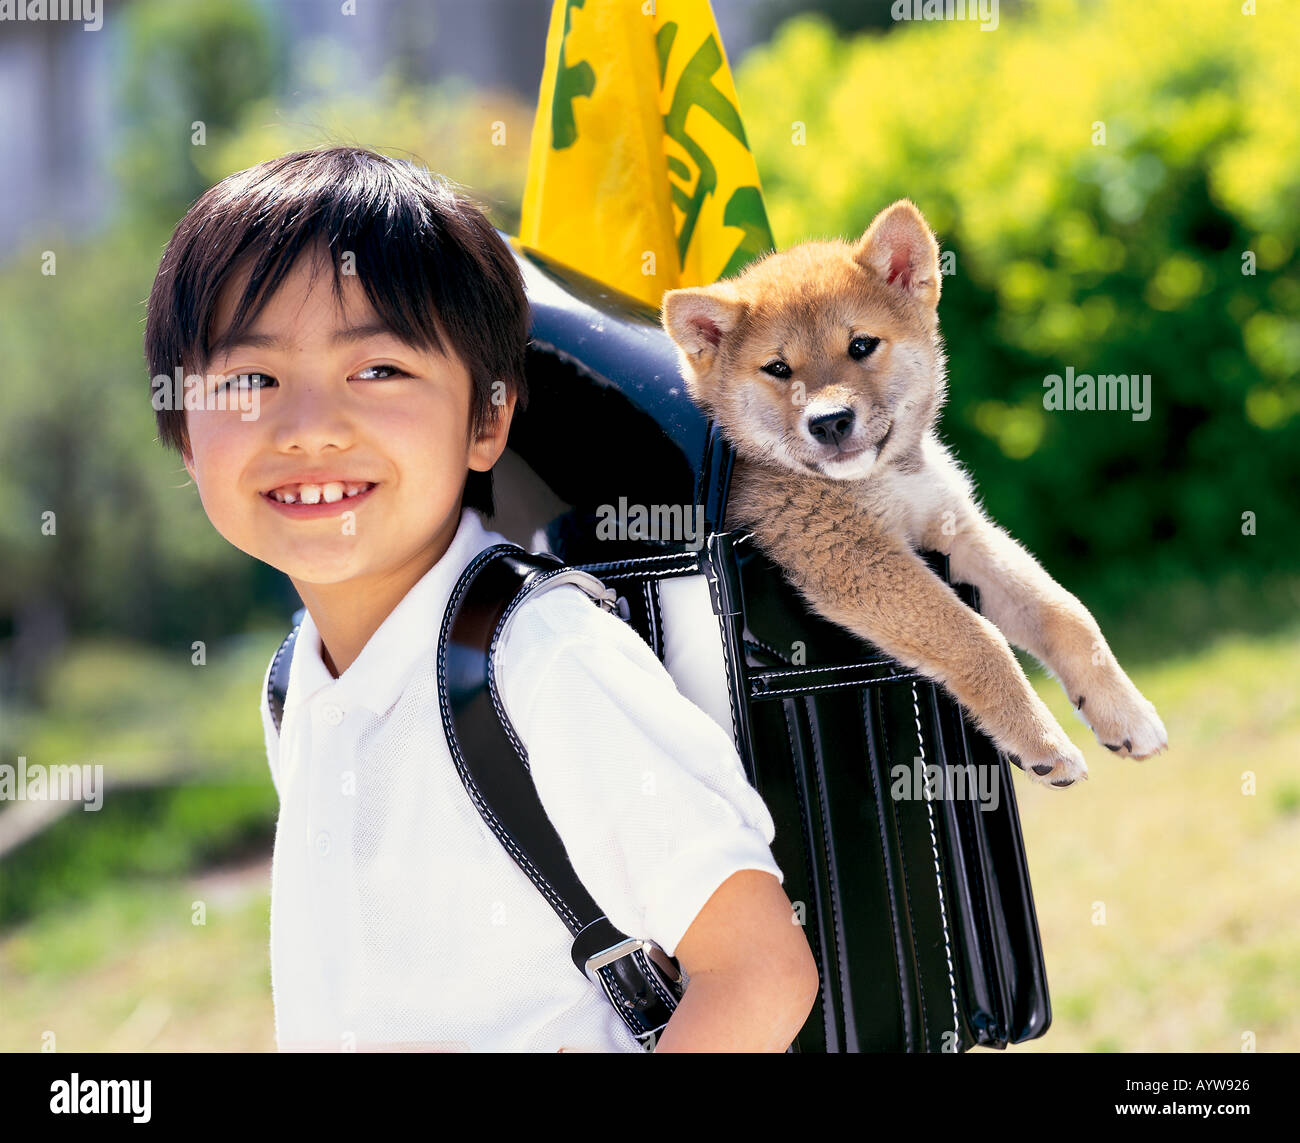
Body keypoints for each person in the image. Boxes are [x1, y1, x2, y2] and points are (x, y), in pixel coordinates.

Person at [144, 145, 818, 1052]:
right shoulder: (296, 680)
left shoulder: (542, 660)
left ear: (488, 417)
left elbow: (759, 972)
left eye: (377, 370)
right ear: (185, 433)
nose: (309, 430)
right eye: (249, 380)